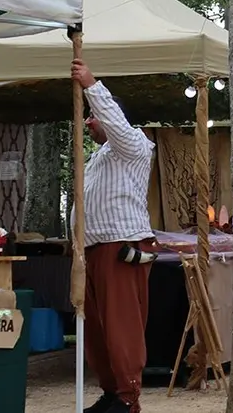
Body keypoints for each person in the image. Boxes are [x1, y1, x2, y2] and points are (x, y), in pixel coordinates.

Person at [71, 59, 157, 413]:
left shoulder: (134, 145)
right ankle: (111, 390)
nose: (89, 122)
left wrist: (90, 84)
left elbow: (115, 123)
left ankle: (128, 395)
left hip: (121, 244)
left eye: (93, 116)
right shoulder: (98, 159)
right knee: (95, 327)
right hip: (92, 248)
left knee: (121, 325)